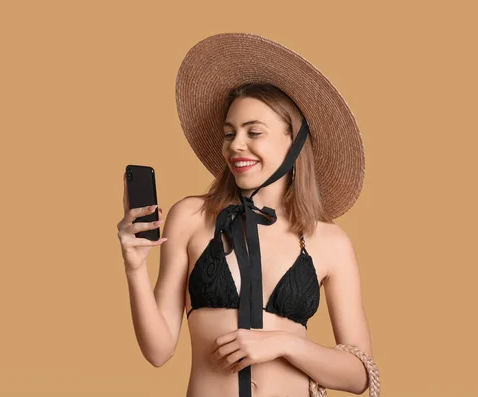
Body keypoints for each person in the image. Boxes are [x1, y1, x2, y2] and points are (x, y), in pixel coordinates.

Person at [117, 33, 378, 397]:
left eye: (254, 132)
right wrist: (134, 268)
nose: (236, 145)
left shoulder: (330, 241)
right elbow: (159, 351)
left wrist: (284, 344)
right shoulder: (191, 217)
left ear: (295, 142)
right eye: (229, 133)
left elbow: (359, 375)